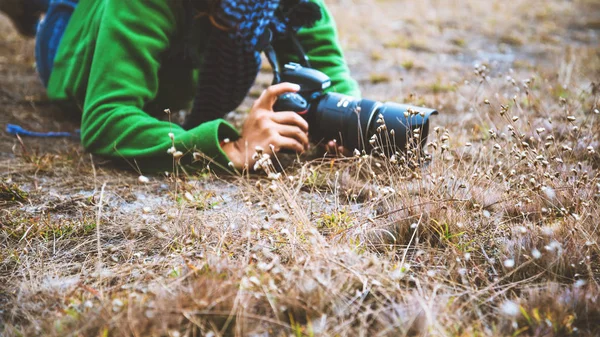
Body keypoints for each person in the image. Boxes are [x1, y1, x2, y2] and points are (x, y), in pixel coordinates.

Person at [0, 0, 360, 171]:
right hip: (67, 41)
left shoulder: (282, 6)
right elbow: (106, 117)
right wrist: (230, 147)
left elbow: (332, 72)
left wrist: (339, 121)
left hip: (173, 58)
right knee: (52, 16)